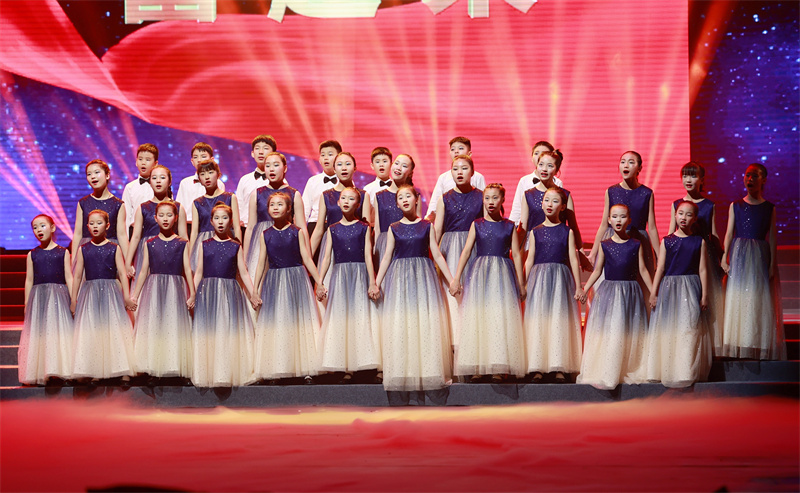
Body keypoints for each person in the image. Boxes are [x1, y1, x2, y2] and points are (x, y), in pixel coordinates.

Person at [370, 184, 453, 391]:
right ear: (397, 204)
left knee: (423, 321)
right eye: (400, 197)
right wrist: (376, 283)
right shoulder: (393, 228)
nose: (405, 200)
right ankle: (403, 370)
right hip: (400, 280)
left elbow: (437, 254)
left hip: (423, 278)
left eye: (408, 196)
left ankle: (428, 369)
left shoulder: (426, 226)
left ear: (416, 199)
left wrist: (451, 280)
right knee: (402, 322)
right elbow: (387, 257)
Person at [448, 184, 527, 382]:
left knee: (499, 317)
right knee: (480, 317)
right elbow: (466, 251)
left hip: (502, 275)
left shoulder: (509, 226)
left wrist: (521, 283)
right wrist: (456, 278)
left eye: (495, 198)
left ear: (503, 200)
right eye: (487, 198)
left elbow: (517, 255)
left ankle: (498, 366)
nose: (491, 202)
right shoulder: (477, 224)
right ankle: (478, 365)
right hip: (480, 275)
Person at [576, 204, 653, 389]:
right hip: (610, 292)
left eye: (623, 216)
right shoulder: (605, 245)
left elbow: (643, 269)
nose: (619, 220)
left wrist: (653, 292)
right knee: (612, 330)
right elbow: (597, 271)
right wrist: (585, 289)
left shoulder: (636, 244)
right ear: (609, 220)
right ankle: (609, 368)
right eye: (615, 217)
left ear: (629, 220)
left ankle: (626, 367)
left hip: (630, 293)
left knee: (628, 329)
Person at [252, 193, 324, 383]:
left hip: (296, 279)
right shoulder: (265, 234)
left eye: (280, 204)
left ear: (289, 208)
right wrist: (255, 290)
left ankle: (306, 367)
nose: (275, 208)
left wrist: (319, 281)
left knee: (299, 320)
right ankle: (278, 367)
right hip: (274, 281)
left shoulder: (296, 231)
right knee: (278, 322)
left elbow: (306, 258)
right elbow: (261, 263)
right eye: (272, 204)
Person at [641, 201, 712, 387]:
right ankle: (667, 369)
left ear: (695, 218)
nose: (684, 218)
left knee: (689, 327)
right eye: (680, 213)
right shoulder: (667, 241)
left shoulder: (699, 242)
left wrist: (705, 295)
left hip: (690, 287)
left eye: (688, 214)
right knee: (669, 328)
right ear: (674, 215)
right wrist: (653, 292)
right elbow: (660, 268)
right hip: (670, 288)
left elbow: (703, 269)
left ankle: (685, 370)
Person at [721, 163, 786, 360]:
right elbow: (729, 233)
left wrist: (772, 264)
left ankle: (757, 342)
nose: (750, 179)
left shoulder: (769, 208)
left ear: (763, 180)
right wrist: (724, 257)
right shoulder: (736, 205)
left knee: (758, 296)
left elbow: (772, 237)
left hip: (759, 256)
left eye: (755, 176)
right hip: (740, 255)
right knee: (739, 296)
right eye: (747, 175)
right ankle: (738, 341)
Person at [316, 187, 381, 382]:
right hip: (340, 277)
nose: (346, 201)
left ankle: (361, 363)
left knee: (360, 316)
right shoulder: (332, 229)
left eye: (351, 199)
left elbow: (368, 256)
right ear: (338, 202)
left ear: (358, 204)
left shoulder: (364, 228)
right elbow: (327, 258)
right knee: (342, 317)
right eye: (343, 198)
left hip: (359, 275)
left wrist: (372, 282)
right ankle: (345, 365)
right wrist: (320, 282)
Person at [192, 203, 260, 388]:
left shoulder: (235, 246)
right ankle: (211, 372)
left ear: (230, 221)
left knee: (228, 330)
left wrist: (253, 293)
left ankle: (227, 372)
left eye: (224, 218)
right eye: (217, 218)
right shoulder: (204, 245)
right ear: (211, 221)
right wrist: (192, 293)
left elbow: (243, 272)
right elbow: (199, 272)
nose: (220, 222)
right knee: (211, 331)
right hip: (209, 293)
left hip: (230, 292)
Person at [128, 200, 194, 383]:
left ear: (176, 218)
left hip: (175, 288)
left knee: (173, 325)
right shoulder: (149, 243)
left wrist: (192, 293)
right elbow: (143, 271)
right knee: (155, 325)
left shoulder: (182, 243)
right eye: (161, 215)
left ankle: (174, 368)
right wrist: (135, 295)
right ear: (155, 218)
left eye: (169, 215)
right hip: (154, 288)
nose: (165, 219)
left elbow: (187, 269)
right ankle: (154, 368)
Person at [523, 187, 583, 383]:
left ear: (563, 207)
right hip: (539, 280)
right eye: (546, 200)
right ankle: (538, 366)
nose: (549, 204)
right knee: (539, 320)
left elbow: (573, 259)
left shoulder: (567, 231)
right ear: (541, 204)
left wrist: (578, 286)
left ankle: (559, 366)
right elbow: (529, 259)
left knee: (558, 319)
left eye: (555, 201)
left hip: (560, 279)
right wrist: (523, 283)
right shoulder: (535, 231)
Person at [71, 210, 136, 387]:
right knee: (94, 329)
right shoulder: (83, 249)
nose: (95, 226)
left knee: (114, 328)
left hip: (111, 292)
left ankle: (123, 370)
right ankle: (96, 370)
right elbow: (78, 276)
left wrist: (126, 296)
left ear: (107, 226)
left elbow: (122, 273)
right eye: (91, 223)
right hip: (90, 293)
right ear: (87, 226)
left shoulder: (114, 248)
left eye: (99, 223)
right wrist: (73, 299)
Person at [668, 162, 724, 355]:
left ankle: (707, 347)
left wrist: (722, 259)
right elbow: (671, 234)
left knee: (706, 300)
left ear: (702, 179)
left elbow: (713, 234)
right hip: (683, 257)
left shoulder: (709, 205)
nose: (688, 180)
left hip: (704, 256)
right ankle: (684, 344)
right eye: (685, 176)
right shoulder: (677, 204)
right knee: (686, 301)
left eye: (693, 176)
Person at [588, 151, 659, 300]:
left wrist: (660, 256)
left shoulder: (647, 193)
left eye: (631, 162)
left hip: (638, 241)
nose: (626, 165)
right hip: (614, 242)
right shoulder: (611, 191)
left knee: (639, 288)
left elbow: (652, 227)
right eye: (623, 162)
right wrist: (593, 252)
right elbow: (603, 224)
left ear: (639, 168)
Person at [433, 154, 483, 350]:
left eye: (464, 168)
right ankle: (454, 342)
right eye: (455, 169)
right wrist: (433, 255)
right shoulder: (444, 198)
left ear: (472, 172)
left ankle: (473, 341)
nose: (459, 172)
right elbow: (437, 230)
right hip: (450, 247)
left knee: (472, 293)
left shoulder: (482, 196)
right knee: (451, 293)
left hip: (474, 247)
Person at [18, 215, 74, 386]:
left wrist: (73, 299)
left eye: (42, 226)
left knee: (58, 332)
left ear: (53, 227)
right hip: (39, 297)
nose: (38, 230)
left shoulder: (63, 252)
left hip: (58, 296)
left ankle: (61, 370)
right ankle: (42, 371)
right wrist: (27, 303)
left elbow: (69, 277)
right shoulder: (32, 254)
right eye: (35, 227)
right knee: (40, 333)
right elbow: (29, 280)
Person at [243, 151, 305, 278]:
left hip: (286, 244)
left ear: (285, 168)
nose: (271, 169)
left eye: (276, 165)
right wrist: (244, 258)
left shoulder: (294, 194)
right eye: (267, 165)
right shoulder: (256, 194)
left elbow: (301, 227)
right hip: (259, 246)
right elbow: (250, 228)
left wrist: (306, 256)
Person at [309, 152, 368, 285]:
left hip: (356, 246)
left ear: (355, 168)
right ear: (334, 169)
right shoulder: (326, 196)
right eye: (340, 164)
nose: (344, 168)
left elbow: (368, 228)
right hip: (332, 247)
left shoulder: (363, 195)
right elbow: (319, 229)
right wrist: (308, 257)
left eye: (348, 164)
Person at [126, 165, 187, 287]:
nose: (158, 181)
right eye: (154, 178)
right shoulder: (143, 208)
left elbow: (184, 236)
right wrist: (128, 261)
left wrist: (187, 260)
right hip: (149, 253)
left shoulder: (178, 207)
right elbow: (136, 237)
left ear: (169, 182)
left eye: (162, 177)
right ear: (150, 182)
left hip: (172, 252)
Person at [519, 150, 582, 249]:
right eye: (541, 164)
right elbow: (522, 228)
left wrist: (581, 252)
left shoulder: (565, 195)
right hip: (533, 246)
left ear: (557, 170)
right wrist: (515, 252)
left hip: (558, 245)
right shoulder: (528, 195)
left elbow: (573, 227)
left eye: (550, 166)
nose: (544, 169)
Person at [72, 159, 128, 265]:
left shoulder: (118, 204)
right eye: (89, 174)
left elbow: (122, 235)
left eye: (97, 172)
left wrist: (128, 262)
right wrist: (73, 260)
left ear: (107, 175)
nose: (93, 176)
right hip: (88, 251)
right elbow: (78, 233)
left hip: (110, 253)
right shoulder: (83, 203)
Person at [188, 159, 240, 270]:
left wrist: (239, 248)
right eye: (202, 174)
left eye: (210, 172)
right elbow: (194, 232)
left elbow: (236, 227)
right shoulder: (197, 203)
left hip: (226, 241)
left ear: (218, 175)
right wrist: (190, 255)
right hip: (203, 244)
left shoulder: (230, 198)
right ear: (199, 179)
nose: (207, 177)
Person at [425, 137, 486, 221]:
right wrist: (428, 221)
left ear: (469, 154)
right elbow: (435, 203)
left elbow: (484, 202)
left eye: (460, 148)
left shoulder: (478, 177)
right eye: (453, 149)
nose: (456, 151)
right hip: (450, 222)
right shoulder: (443, 177)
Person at [373, 154, 417, 262]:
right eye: (396, 163)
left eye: (404, 166)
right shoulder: (379, 196)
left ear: (410, 173)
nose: (398, 168)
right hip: (384, 244)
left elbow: (417, 226)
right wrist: (375, 250)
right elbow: (377, 228)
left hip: (406, 243)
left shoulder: (415, 196)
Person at [509, 141, 562, 225]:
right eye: (536, 153)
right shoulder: (524, 181)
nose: (539, 156)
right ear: (531, 157)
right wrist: (511, 228)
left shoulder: (557, 183)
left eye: (543, 153)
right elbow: (517, 209)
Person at [175, 142, 226, 230]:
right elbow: (179, 208)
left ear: (212, 159)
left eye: (203, 156)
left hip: (210, 226)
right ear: (192, 161)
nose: (199, 160)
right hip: (188, 225)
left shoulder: (219, 183)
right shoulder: (185, 183)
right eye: (195, 157)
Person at [302, 140, 342, 244]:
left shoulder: (345, 181)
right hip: (314, 225)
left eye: (330, 154)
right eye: (323, 155)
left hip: (338, 226)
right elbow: (305, 209)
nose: (326, 158)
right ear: (319, 160)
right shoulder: (312, 181)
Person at [235, 134, 278, 229]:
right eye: (257, 148)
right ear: (252, 153)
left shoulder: (279, 180)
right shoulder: (245, 180)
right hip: (246, 227)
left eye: (265, 148)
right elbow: (238, 205)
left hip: (271, 228)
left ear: (274, 153)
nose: (261, 152)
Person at [122, 143, 159, 229]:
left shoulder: (161, 186)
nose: (143, 163)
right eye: (140, 159)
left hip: (156, 231)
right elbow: (126, 216)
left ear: (155, 163)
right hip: (135, 231)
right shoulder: (130, 187)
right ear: (136, 162)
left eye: (148, 160)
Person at [363, 146, 394, 213]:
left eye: (385, 161)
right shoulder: (368, 189)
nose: (381, 164)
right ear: (372, 166)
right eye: (377, 162)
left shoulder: (398, 187)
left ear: (391, 164)